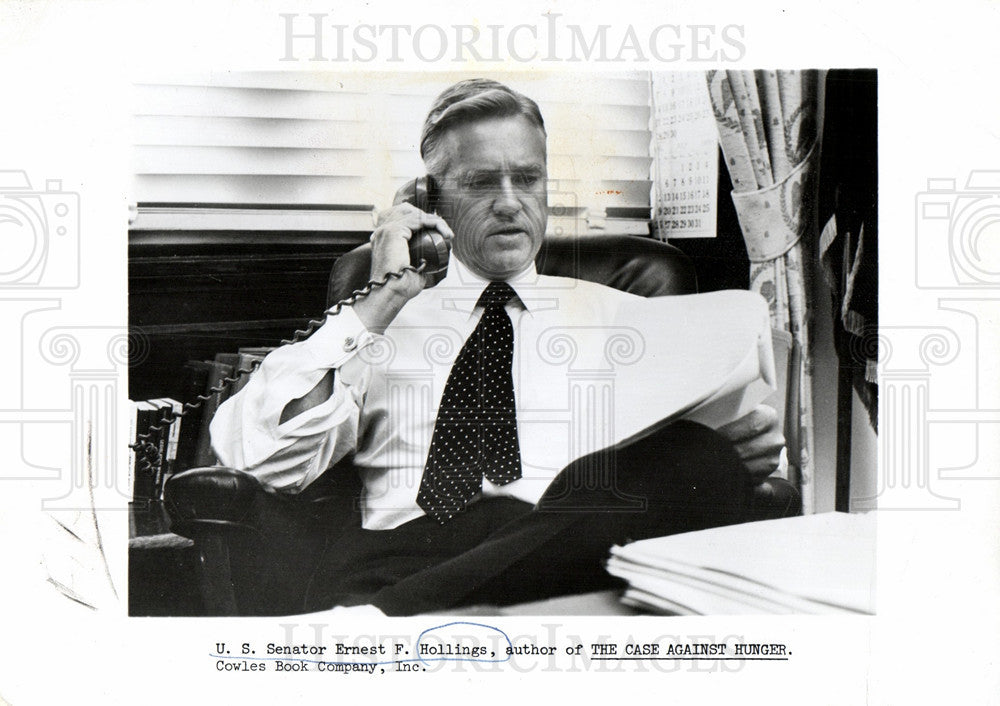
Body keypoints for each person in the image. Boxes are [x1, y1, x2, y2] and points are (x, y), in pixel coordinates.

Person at [210, 78, 785, 616]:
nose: (510, 202)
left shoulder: (628, 318)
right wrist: (383, 297)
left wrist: (742, 451)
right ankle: (405, 611)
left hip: (569, 564)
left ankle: (385, 627)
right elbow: (261, 457)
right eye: (482, 182)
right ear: (428, 199)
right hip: (403, 558)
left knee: (694, 458)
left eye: (527, 178)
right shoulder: (374, 324)